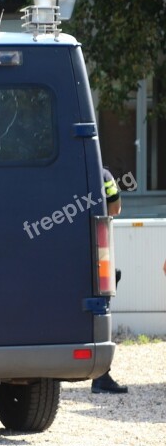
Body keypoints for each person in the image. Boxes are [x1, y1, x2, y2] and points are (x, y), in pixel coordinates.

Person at [92, 168, 128, 394]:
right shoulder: (103, 176)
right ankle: (100, 376)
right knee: (98, 307)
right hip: (96, 248)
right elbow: (115, 209)